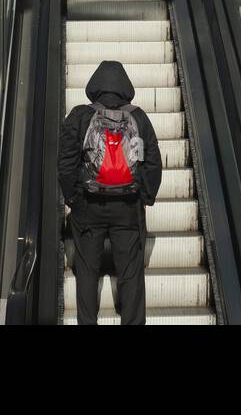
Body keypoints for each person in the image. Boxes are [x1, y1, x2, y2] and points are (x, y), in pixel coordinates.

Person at [58, 60, 161, 325]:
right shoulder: (138, 116)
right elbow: (152, 163)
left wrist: (73, 199)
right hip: (127, 207)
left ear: (94, 86)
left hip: (88, 207)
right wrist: (145, 198)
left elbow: (66, 162)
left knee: (87, 270)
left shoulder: (81, 115)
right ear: (126, 87)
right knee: (130, 273)